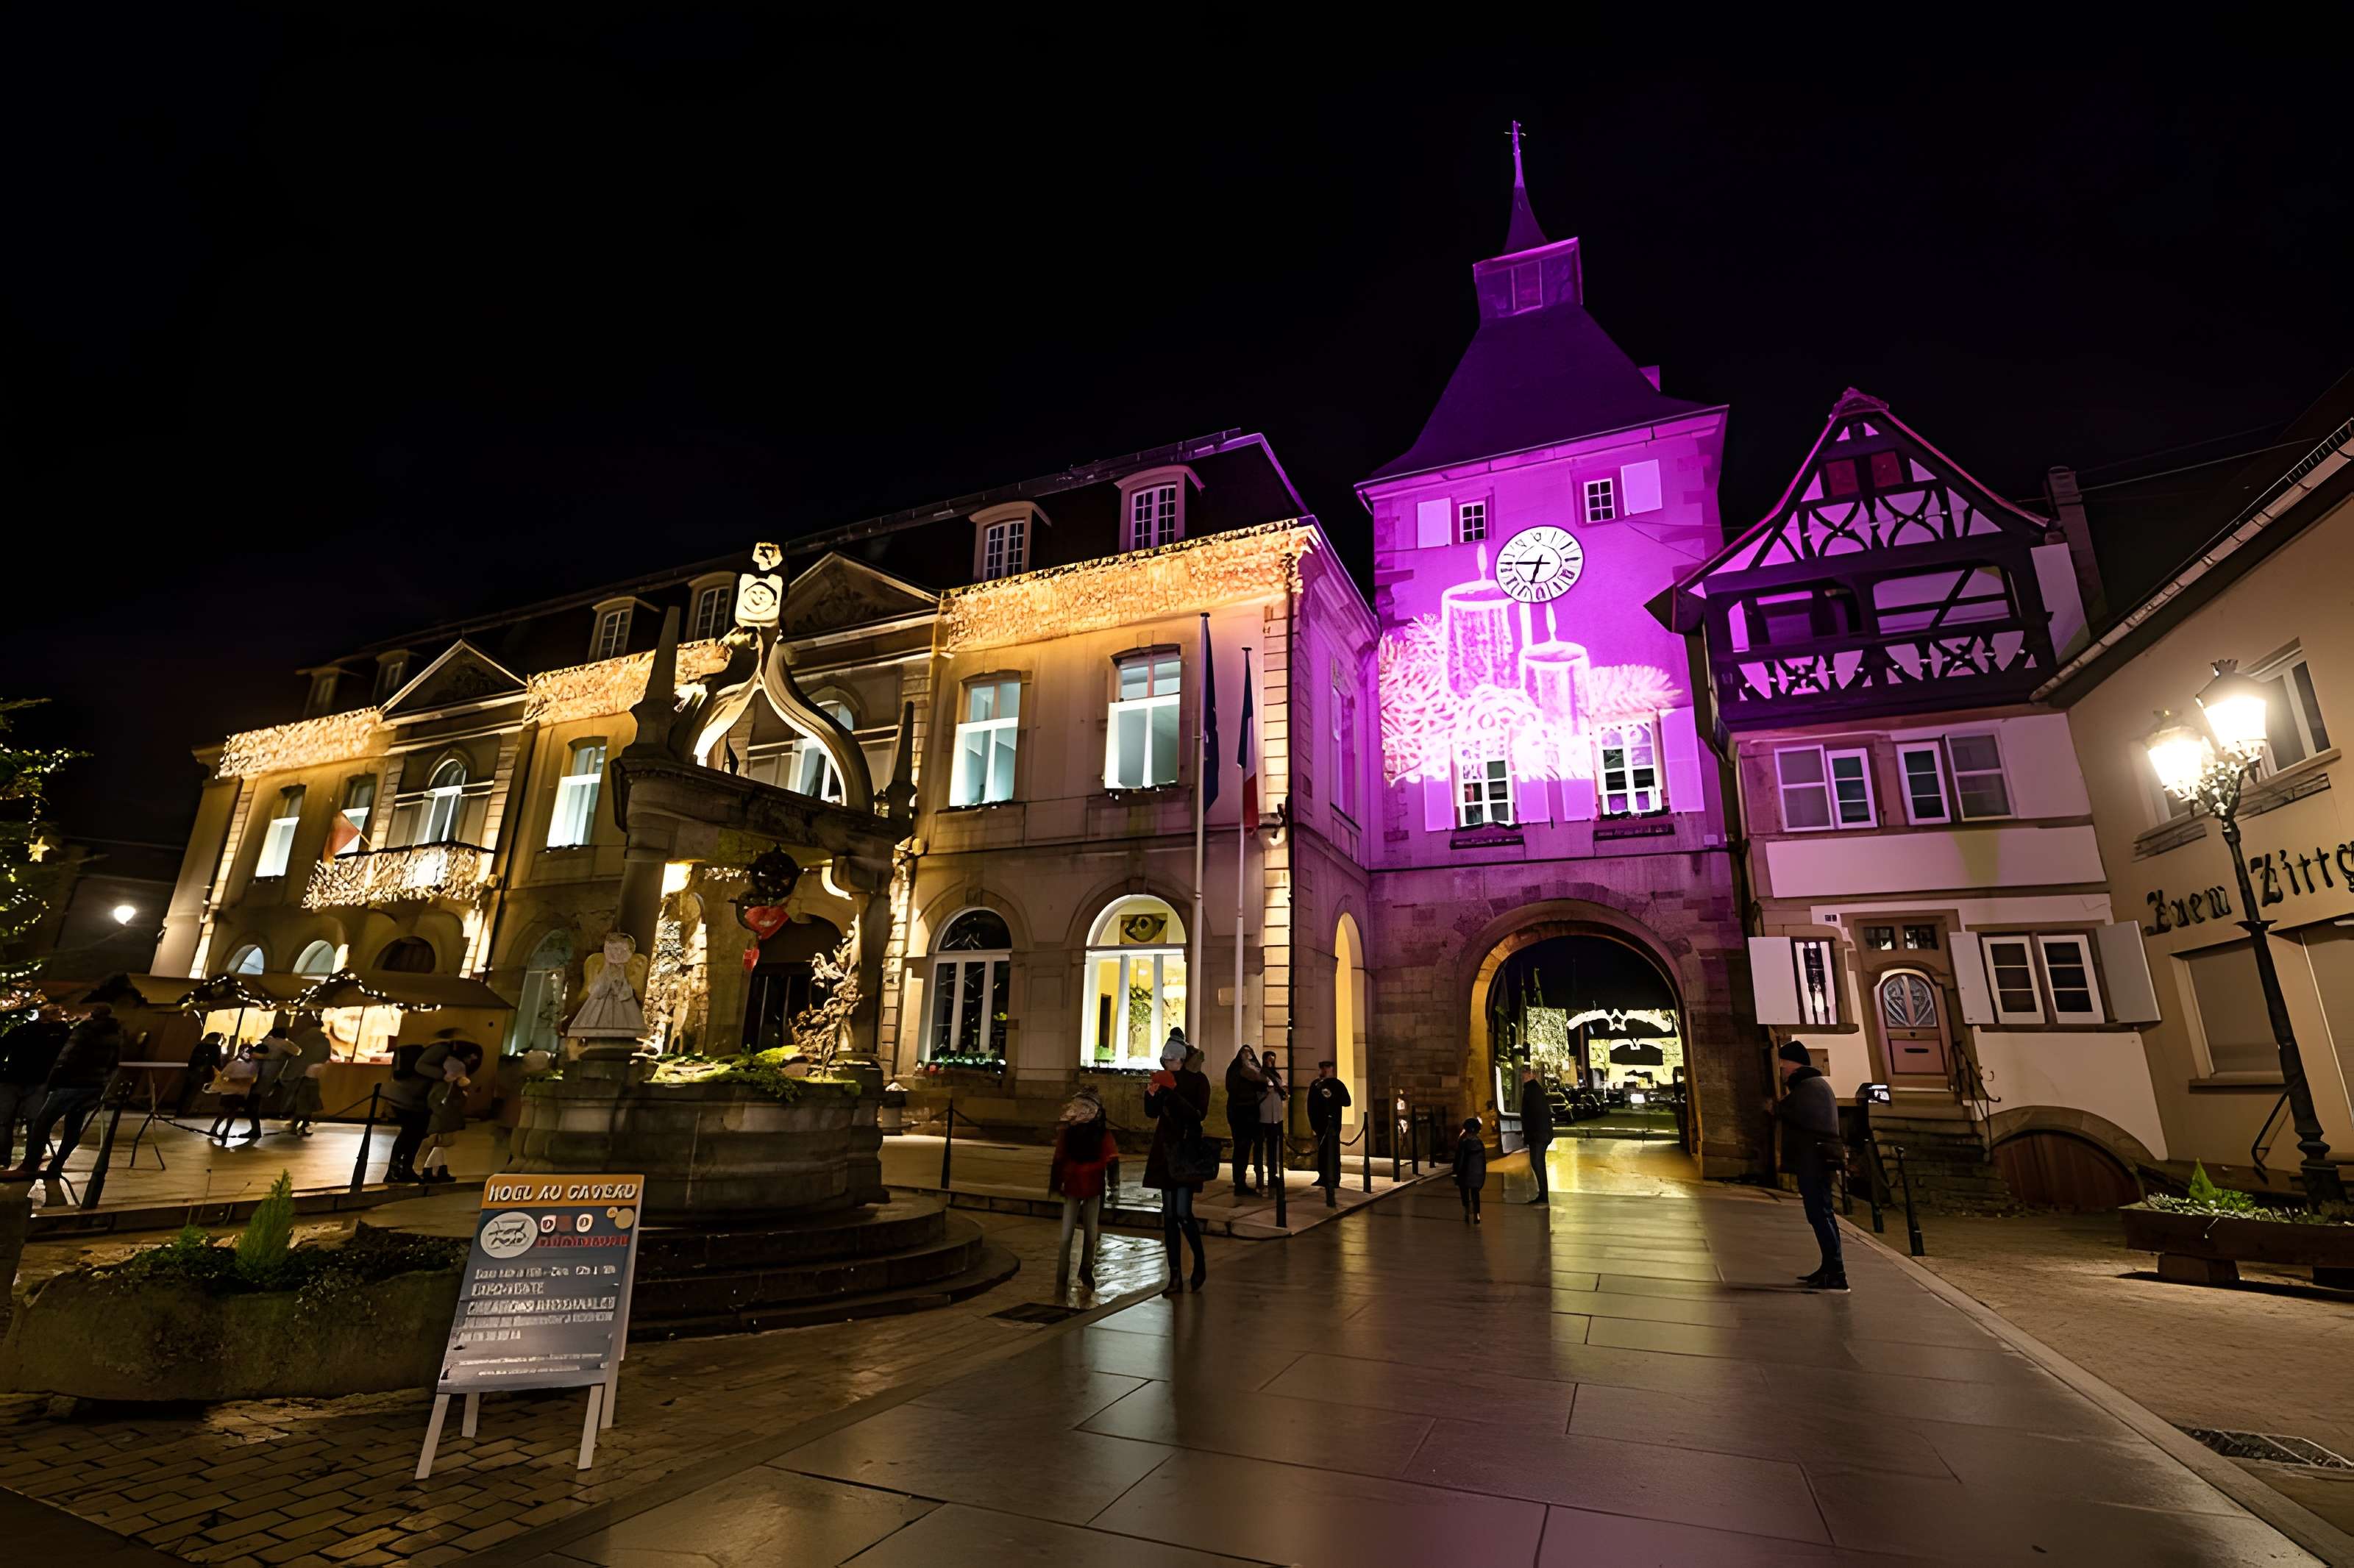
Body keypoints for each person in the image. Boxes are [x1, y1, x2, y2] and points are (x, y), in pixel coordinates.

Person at [3, 1004, 125, 1193]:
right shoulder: (115, 1032)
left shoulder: (83, 1030)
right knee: (73, 1128)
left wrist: (53, 1081)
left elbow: (66, 1056)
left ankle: (29, 1165)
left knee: (43, 1122)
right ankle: (57, 1165)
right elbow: (115, 1062)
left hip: (71, 1084)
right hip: (94, 1086)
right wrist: (103, 1084)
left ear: (92, 1014)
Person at [1771, 1041, 1848, 1291]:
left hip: (1815, 1160)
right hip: (1814, 1159)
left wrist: (1777, 1108)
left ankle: (1836, 1271)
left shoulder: (1810, 1088)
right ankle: (1829, 1268)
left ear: (1791, 1065)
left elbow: (1799, 1115)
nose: (1781, 1071)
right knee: (1820, 1213)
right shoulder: (1813, 1086)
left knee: (1820, 1213)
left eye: (1782, 1066)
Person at [1144, 1036, 1212, 1297]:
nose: (1167, 1063)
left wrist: (1172, 1095)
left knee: (1183, 1213)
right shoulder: (1161, 1080)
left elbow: (1198, 1115)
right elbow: (1152, 1113)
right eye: (1165, 1060)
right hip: (1165, 1151)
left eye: (1170, 1060)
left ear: (1181, 1060)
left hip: (1185, 1151)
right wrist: (1151, 1097)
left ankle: (1200, 1263)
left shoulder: (1198, 1082)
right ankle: (1174, 1276)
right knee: (1169, 1216)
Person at [1047, 1084, 1117, 1297]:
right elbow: (1059, 1157)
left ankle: (1080, 1272)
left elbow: (1112, 1159)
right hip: (1078, 1186)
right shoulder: (1072, 1133)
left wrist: (1113, 1187)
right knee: (1074, 1236)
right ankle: (1068, 1277)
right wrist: (1056, 1183)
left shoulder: (1097, 1134)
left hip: (1088, 1186)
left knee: (1086, 1235)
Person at [383, 1030, 472, 1183]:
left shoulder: (448, 1052)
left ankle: (404, 1170)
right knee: (410, 1133)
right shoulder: (442, 1048)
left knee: (415, 1133)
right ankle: (395, 1171)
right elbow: (420, 1066)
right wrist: (444, 1075)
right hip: (407, 1096)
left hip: (417, 1099)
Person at [0, 1004, 71, 1168]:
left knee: (4, 1121)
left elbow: (3, 1048)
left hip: (12, 1077)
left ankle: (3, 1159)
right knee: (35, 1121)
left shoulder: (22, 1030)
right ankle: (32, 1159)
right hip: (40, 1080)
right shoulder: (63, 1033)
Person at [414, 1042, 482, 1184]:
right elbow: (443, 1100)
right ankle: (426, 1169)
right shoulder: (448, 1084)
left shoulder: (447, 1082)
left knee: (439, 1143)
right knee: (435, 1142)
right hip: (443, 1116)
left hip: (444, 1116)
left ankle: (434, 1169)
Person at [1306, 1059, 1351, 1207]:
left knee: (1334, 1152)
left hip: (1333, 1124)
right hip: (1320, 1124)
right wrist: (1313, 1123)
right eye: (1322, 1068)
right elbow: (1311, 1105)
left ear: (1332, 1069)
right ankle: (1323, 1177)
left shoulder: (1337, 1084)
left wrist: (1331, 1096)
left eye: (1327, 1068)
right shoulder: (1316, 1085)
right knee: (1322, 1150)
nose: (1324, 1070)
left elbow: (1347, 1101)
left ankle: (1334, 1178)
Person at [1223, 1044, 1265, 1197]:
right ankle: (1239, 1182)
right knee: (1241, 1146)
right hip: (1240, 1112)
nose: (1248, 1057)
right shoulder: (1237, 1070)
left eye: (1250, 1054)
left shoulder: (1248, 1069)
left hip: (1249, 1111)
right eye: (1245, 1054)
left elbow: (1262, 1083)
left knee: (1246, 1147)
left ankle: (1244, 1180)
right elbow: (1233, 1087)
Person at [282, 1016, 332, 1136]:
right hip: (313, 1076)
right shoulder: (324, 1040)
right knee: (308, 1102)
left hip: (301, 1075)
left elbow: (295, 1053)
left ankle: (298, 1125)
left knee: (302, 1102)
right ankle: (302, 1126)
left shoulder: (304, 1038)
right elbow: (326, 1056)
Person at [208, 1044, 264, 1146]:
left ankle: (215, 1129)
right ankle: (226, 1131)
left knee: (225, 1111)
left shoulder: (233, 1064)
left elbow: (223, 1076)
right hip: (240, 1092)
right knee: (232, 1112)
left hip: (229, 1091)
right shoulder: (253, 1066)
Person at [1517, 1065, 1554, 1204]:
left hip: (1538, 1135)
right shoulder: (1533, 1089)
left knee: (1537, 1163)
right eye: (1523, 1073)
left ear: (1533, 1075)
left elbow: (1535, 1115)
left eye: (1526, 1073)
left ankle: (1543, 1196)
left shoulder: (1532, 1090)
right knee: (1537, 1163)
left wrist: (1532, 1134)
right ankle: (1543, 1194)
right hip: (1539, 1134)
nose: (1524, 1076)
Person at [1254, 1054, 1287, 1192]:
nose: (1271, 1061)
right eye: (1268, 1058)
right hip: (1264, 1116)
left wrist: (1282, 1090)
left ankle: (1273, 1175)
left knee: (1274, 1148)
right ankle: (1260, 1178)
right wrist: (1266, 1091)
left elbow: (1283, 1089)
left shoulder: (1276, 1075)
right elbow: (1257, 1092)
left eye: (1273, 1059)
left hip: (1276, 1117)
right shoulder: (1260, 1075)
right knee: (1261, 1147)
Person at [176, 1030, 225, 1118]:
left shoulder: (199, 1045)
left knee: (186, 1091)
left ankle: (179, 1110)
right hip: (203, 1073)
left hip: (193, 1071)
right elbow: (216, 1062)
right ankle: (189, 1111)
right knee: (195, 1092)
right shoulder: (215, 1048)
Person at [1451, 1116, 1487, 1224]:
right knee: (1475, 1194)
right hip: (1477, 1174)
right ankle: (1477, 1215)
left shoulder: (1463, 1144)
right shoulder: (1480, 1144)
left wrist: (1456, 1171)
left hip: (1464, 1173)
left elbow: (1459, 1159)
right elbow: (1483, 1162)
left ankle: (1467, 1212)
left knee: (1465, 1193)